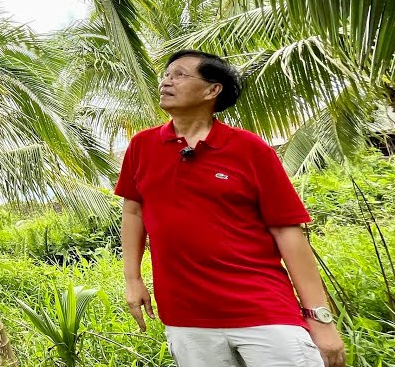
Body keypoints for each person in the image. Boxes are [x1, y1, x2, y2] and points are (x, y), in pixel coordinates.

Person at [115, 51, 345, 367]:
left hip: (264, 311)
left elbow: (287, 230)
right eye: (166, 75)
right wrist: (132, 278)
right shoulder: (142, 147)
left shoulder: (250, 149)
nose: (167, 81)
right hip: (187, 319)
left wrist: (320, 319)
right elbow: (133, 212)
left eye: (180, 74)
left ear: (212, 90)